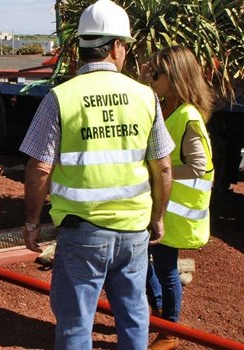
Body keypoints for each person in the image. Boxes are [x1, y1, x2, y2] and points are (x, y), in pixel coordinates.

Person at [20, 1, 174, 349]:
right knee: (134, 318)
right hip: (134, 231)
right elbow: (163, 166)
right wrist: (159, 218)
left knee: (76, 325)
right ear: (117, 46)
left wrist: (31, 223)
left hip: (82, 233)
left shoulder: (60, 98)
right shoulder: (145, 97)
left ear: (81, 47)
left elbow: (39, 167)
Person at [140, 46, 215, 350]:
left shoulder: (188, 116)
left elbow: (200, 165)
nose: (152, 78)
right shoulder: (166, 106)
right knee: (146, 261)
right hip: (161, 205)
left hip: (176, 212)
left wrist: (161, 172)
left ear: (175, 77)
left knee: (167, 269)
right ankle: (159, 312)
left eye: (157, 74)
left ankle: (169, 331)